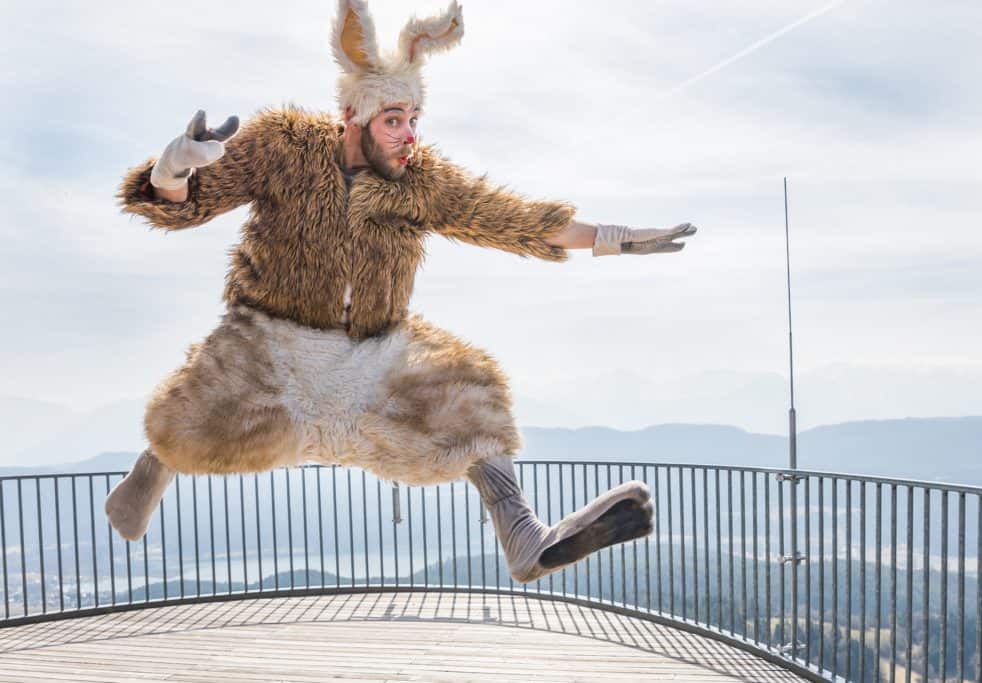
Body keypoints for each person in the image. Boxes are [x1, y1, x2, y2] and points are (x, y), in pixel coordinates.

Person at [106, 0, 698, 584]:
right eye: (394, 120)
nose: (409, 135)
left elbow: (509, 218)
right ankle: (149, 476)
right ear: (353, 117)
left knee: (469, 394)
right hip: (269, 338)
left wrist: (616, 238)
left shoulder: (421, 182)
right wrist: (173, 171)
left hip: (374, 351)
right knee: (198, 409)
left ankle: (525, 539)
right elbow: (190, 206)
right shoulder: (282, 147)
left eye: (414, 120)